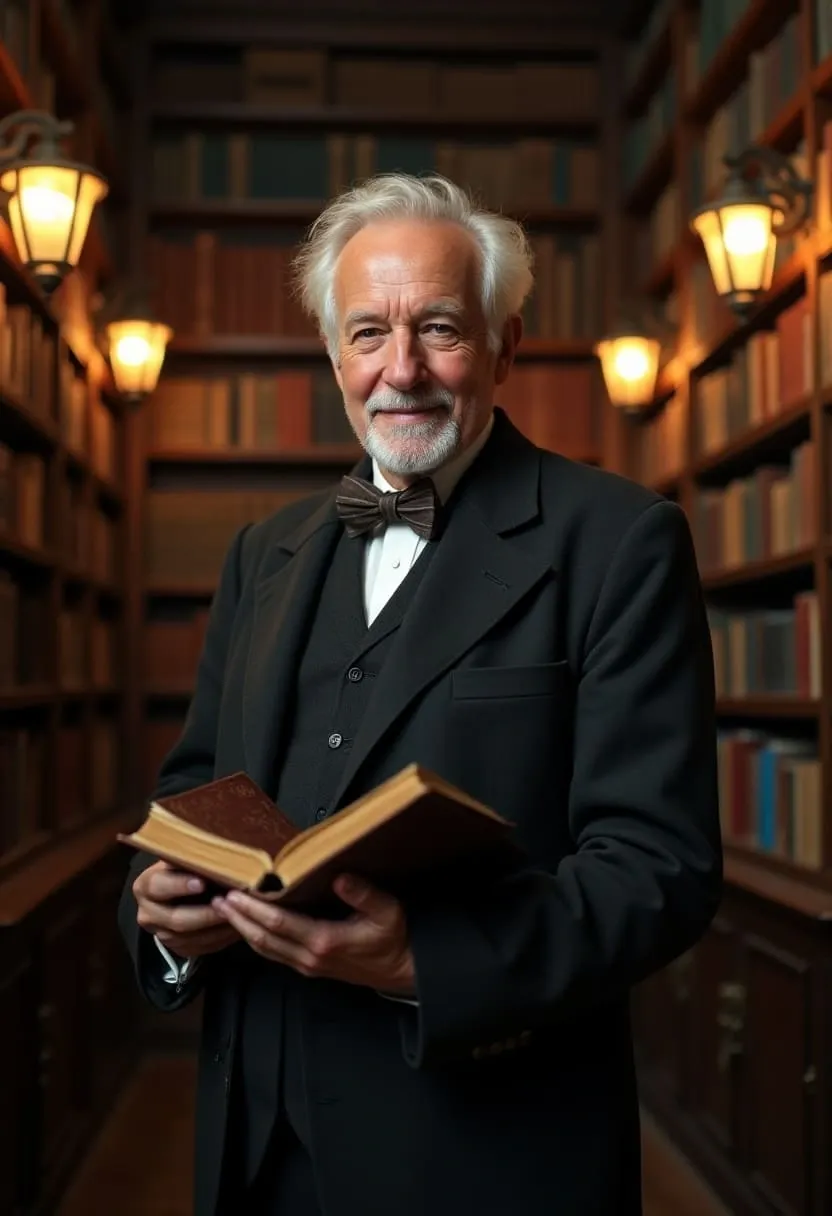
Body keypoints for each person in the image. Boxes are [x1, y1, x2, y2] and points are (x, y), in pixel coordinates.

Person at [119, 173, 722, 1216]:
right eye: (367, 334)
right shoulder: (263, 551)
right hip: (251, 1147)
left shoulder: (620, 542)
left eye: (438, 328)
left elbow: (657, 868)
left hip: (481, 1153)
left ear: (504, 345)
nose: (401, 371)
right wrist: (167, 920)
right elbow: (192, 787)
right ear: (332, 354)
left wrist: (423, 960)